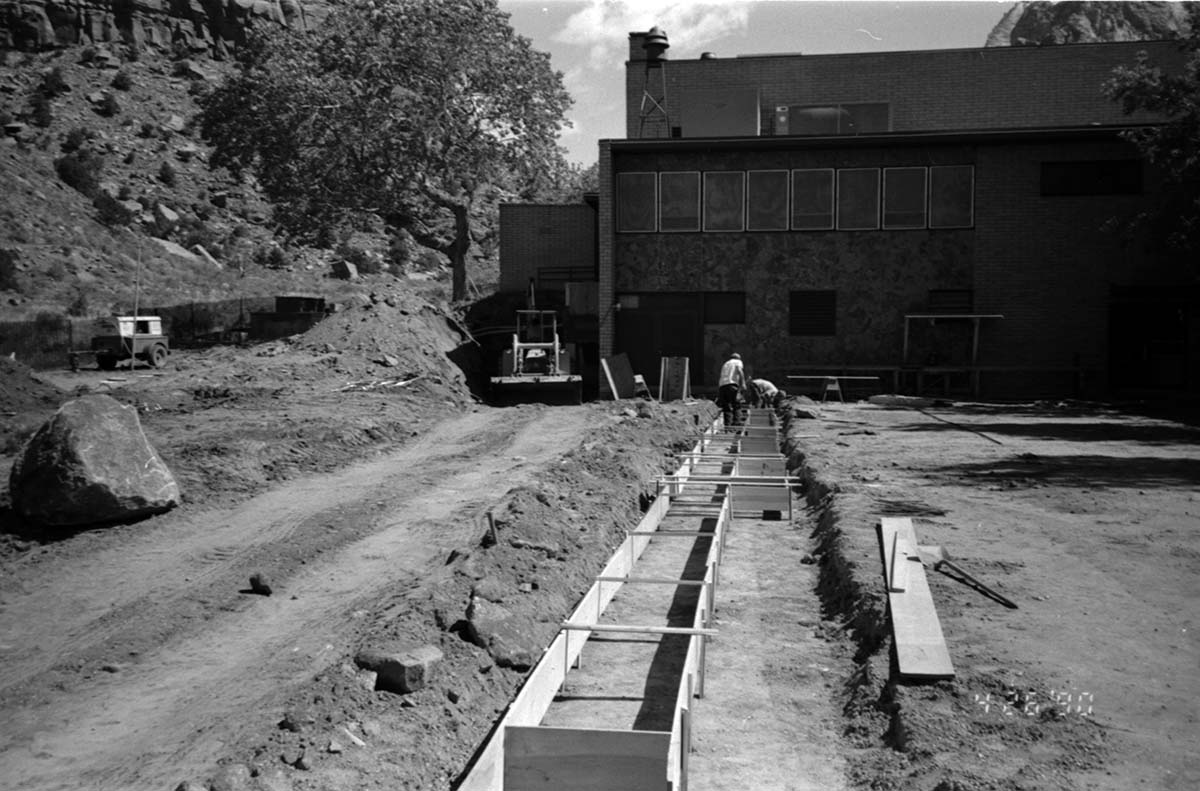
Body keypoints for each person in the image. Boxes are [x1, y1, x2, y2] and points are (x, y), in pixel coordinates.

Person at [716, 352, 746, 426]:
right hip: (731, 385)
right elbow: (739, 371)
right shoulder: (738, 362)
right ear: (738, 358)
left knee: (726, 407)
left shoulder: (726, 364)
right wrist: (743, 383)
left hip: (722, 387)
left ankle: (727, 426)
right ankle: (736, 424)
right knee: (736, 405)